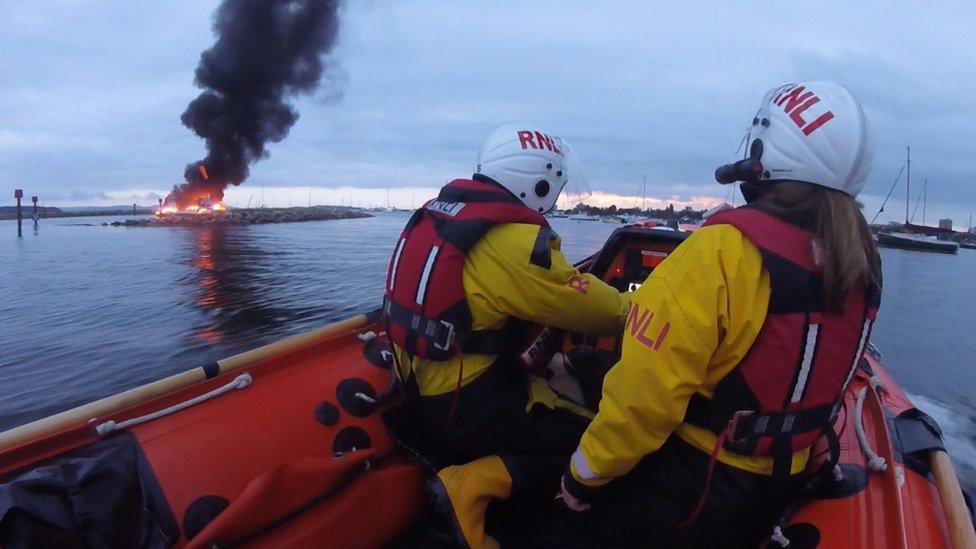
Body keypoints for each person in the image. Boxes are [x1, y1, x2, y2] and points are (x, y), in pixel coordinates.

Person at [560, 81, 882, 547]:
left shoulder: (722, 250)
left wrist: (580, 477)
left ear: (763, 152)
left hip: (697, 482)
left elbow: (644, 400)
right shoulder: (860, 258)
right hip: (780, 480)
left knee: (564, 514)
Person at [384, 122, 628, 546]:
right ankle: (471, 485)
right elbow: (601, 311)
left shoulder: (441, 214)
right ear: (538, 182)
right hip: (469, 401)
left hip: (421, 388)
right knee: (598, 443)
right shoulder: (513, 241)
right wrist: (650, 306)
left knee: (558, 378)